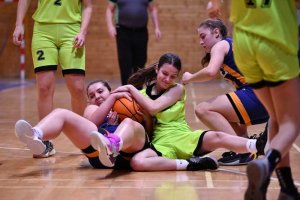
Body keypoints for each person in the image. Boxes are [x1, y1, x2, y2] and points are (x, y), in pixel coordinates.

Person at [93, 53, 268, 171]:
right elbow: (142, 120)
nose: (167, 79)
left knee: (217, 137)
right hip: (160, 143)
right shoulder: (142, 95)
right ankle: (189, 164)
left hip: (182, 136)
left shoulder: (177, 90)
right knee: (137, 162)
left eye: (172, 76)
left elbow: (153, 107)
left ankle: (256, 145)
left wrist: (130, 88)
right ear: (157, 70)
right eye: (164, 73)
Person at [208, 1, 300, 199]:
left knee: (276, 116)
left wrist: (214, 3)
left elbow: (214, 5)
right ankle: (266, 164)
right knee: (292, 122)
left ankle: (286, 188)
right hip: (274, 39)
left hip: (243, 44)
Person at [181, 18, 269, 166]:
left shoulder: (220, 45)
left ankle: (243, 149)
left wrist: (190, 78)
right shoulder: (229, 43)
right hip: (264, 98)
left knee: (203, 109)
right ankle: (246, 149)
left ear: (216, 33)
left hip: (255, 93)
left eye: (203, 36)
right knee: (227, 114)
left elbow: (210, 72)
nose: (201, 42)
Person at [12, 0, 93, 158]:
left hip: (71, 30)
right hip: (43, 30)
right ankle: (44, 143)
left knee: (77, 88)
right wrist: (18, 24)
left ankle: (86, 139)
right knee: (44, 87)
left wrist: (83, 32)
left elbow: (88, 6)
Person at [15, 80, 149, 169]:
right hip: (100, 157)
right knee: (61, 112)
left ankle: (113, 144)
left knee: (129, 122)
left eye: (100, 91)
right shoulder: (91, 108)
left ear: (111, 90)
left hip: (129, 153)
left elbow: (148, 129)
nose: (96, 96)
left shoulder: (128, 104)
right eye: (91, 96)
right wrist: (113, 98)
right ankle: (35, 135)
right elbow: (92, 124)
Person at [106, 0, 162, 86]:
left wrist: (157, 27)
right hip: (123, 32)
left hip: (141, 32)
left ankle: (138, 90)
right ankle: (126, 90)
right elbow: (109, 10)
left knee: (140, 62)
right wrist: (110, 26)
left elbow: (153, 9)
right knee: (125, 63)